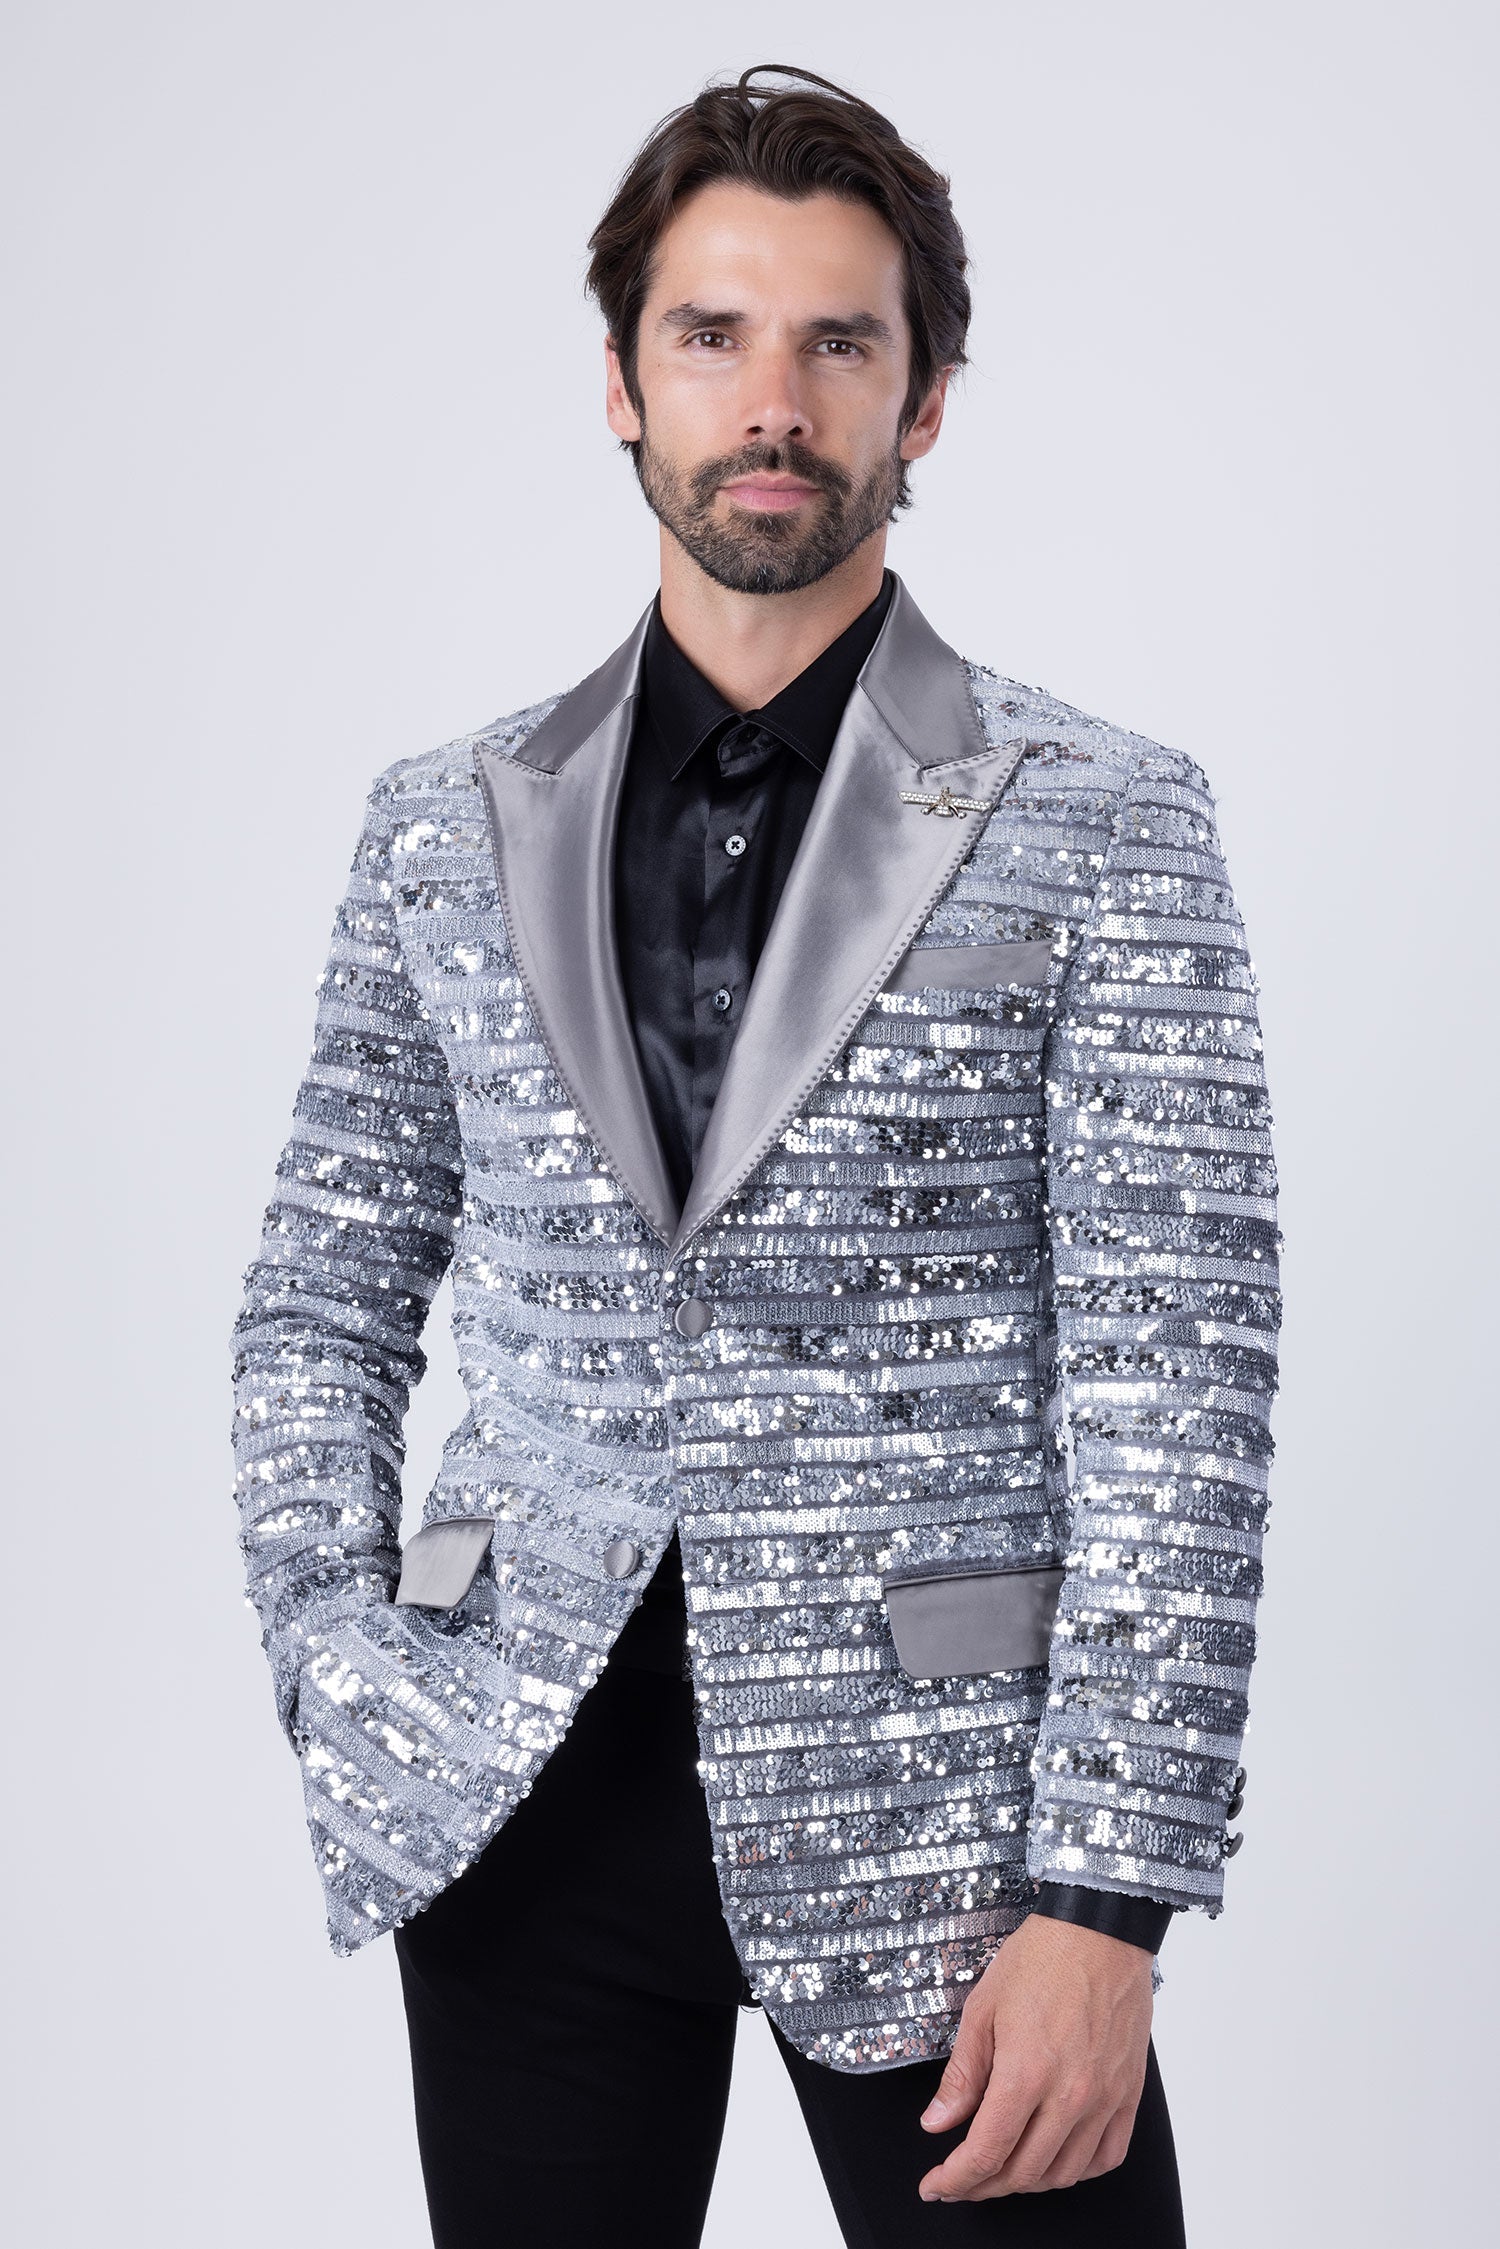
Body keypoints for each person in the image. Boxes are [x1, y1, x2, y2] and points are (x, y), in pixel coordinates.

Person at [230, 63, 1279, 2248]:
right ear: (623, 384)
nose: (773, 402)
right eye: (711, 335)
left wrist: (1108, 1896)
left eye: (839, 343)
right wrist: (344, 1662)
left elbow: (1177, 1385)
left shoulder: (1107, 817)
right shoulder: (441, 824)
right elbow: (323, 1294)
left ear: (927, 399)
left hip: (955, 1851)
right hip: (516, 1801)